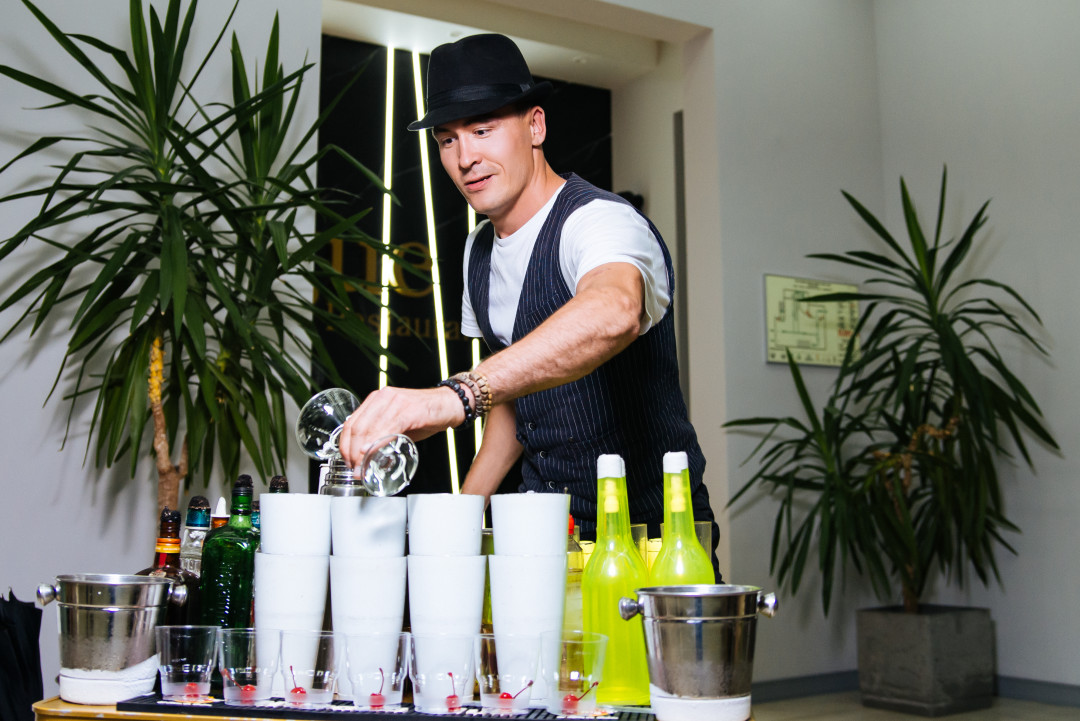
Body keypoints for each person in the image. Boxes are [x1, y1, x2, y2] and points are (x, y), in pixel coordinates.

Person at [338, 33, 719, 576]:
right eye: (447, 140)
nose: (465, 158)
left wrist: (456, 396)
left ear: (535, 126)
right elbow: (513, 398)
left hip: (654, 540)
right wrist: (463, 516)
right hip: (544, 532)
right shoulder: (477, 250)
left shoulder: (599, 221)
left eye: (483, 130)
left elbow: (613, 311)